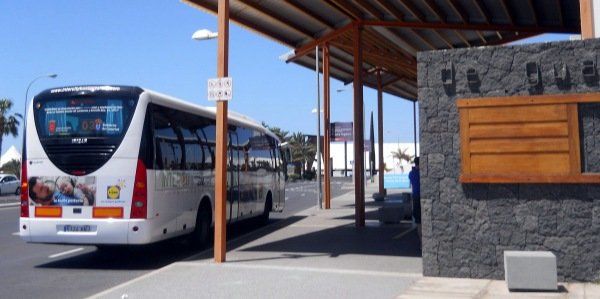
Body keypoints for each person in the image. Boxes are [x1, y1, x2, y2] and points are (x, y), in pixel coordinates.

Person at [408, 157, 421, 247]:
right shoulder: (422, 173)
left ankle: (421, 243)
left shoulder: (411, 173)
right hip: (422, 197)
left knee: (419, 222)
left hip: (415, 197)